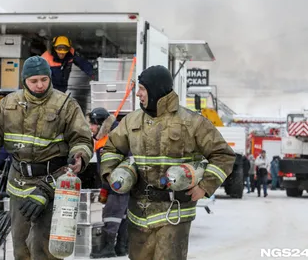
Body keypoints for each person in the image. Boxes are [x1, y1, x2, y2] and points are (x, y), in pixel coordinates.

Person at [100, 65, 236, 260]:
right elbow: (111, 148)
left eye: (142, 89)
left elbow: (223, 155)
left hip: (174, 214)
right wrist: (110, 174)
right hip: (138, 213)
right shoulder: (131, 121)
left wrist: (205, 187)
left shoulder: (191, 122)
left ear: (155, 91)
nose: (138, 94)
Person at [0, 56, 94, 260]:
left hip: (51, 182)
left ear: (49, 78)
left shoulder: (66, 105)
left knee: (42, 246)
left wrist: (79, 155)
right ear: (24, 81)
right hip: (18, 184)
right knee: (21, 246)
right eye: (34, 81)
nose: (40, 85)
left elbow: (82, 139)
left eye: (44, 80)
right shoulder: (8, 104)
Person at [86, 107, 129, 258]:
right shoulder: (109, 134)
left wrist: (106, 187)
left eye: (91, 124)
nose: (90, 128)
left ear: (99, 123)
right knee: (122, 215)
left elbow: (108, 166)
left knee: (111, 214)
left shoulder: (112, 136)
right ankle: (122, 247)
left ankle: (107, 247)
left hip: (117, 183)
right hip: (120, 182)